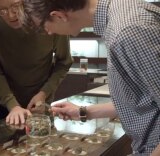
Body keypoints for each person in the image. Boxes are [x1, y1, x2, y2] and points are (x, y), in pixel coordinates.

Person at [20, 0, 160, 155]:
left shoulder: (128, 31)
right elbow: (142, 100)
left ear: (58, 16)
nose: (48, 32)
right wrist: (83, 112)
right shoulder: (119, 16)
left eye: (43, 26)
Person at [0, 0, 72, 125]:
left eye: (16, 6)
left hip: (40, 104)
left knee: (42, 142)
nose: (11, 15)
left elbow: (64, 62)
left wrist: (44, 93)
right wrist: (12, 104)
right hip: (4, 104)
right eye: (2, 11)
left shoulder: (48, 14)